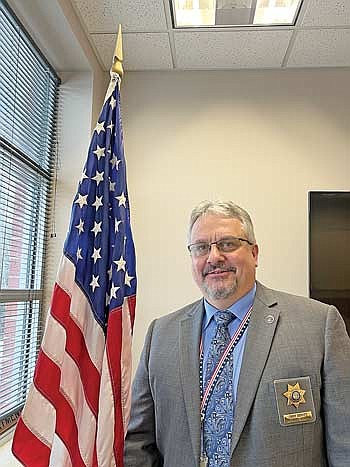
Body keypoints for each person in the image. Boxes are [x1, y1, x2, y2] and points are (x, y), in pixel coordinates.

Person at [124, 200, 350, 467]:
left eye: (228, 244)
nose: (214, 257)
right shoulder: (161, 335)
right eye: (201, 247)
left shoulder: (318, 324)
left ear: (254, 253)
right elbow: (139, 444)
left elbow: (344, 444)